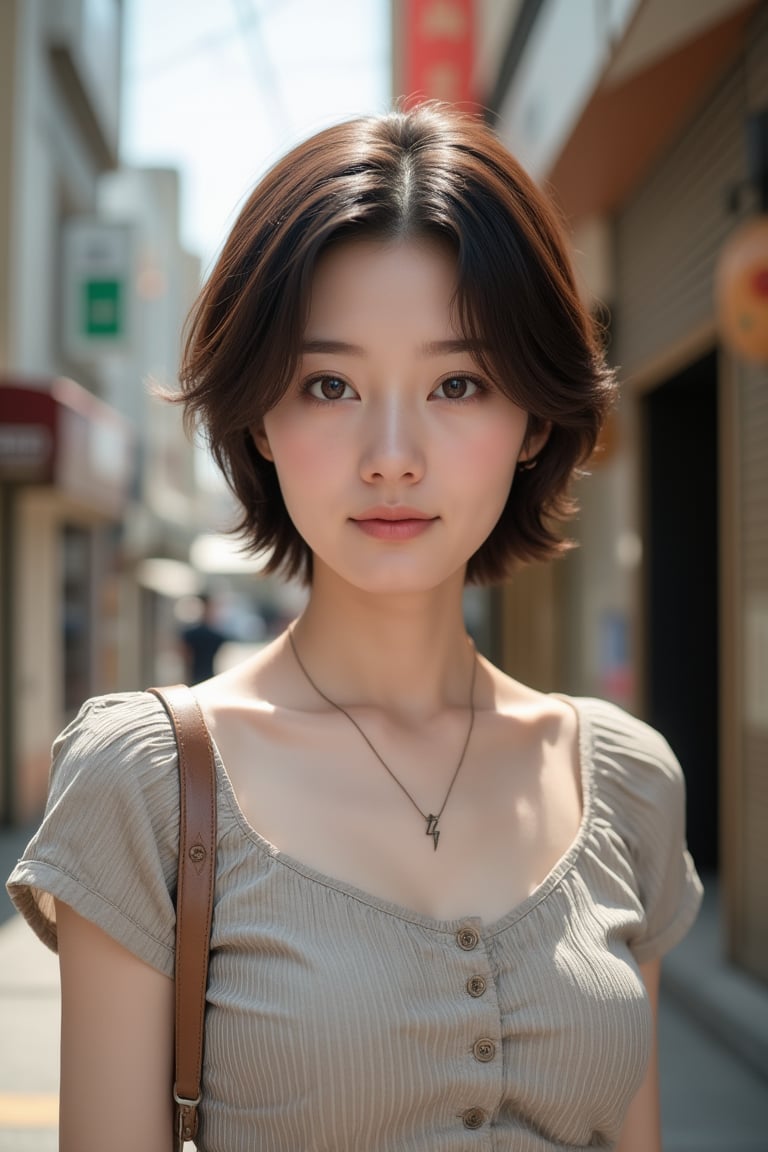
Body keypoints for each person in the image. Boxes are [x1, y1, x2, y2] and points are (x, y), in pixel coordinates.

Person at [7, 103, 702, 1152]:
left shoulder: (623, 780)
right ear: (259, 421)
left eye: (457, 383)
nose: (391, 455)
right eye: (329, 384)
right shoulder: (151, 782)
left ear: (533, 420)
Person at [179, 592, 229, 683]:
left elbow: (185, 657)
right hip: (210, 677)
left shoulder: (190, 634)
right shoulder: (217, 636)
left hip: (194, 678)